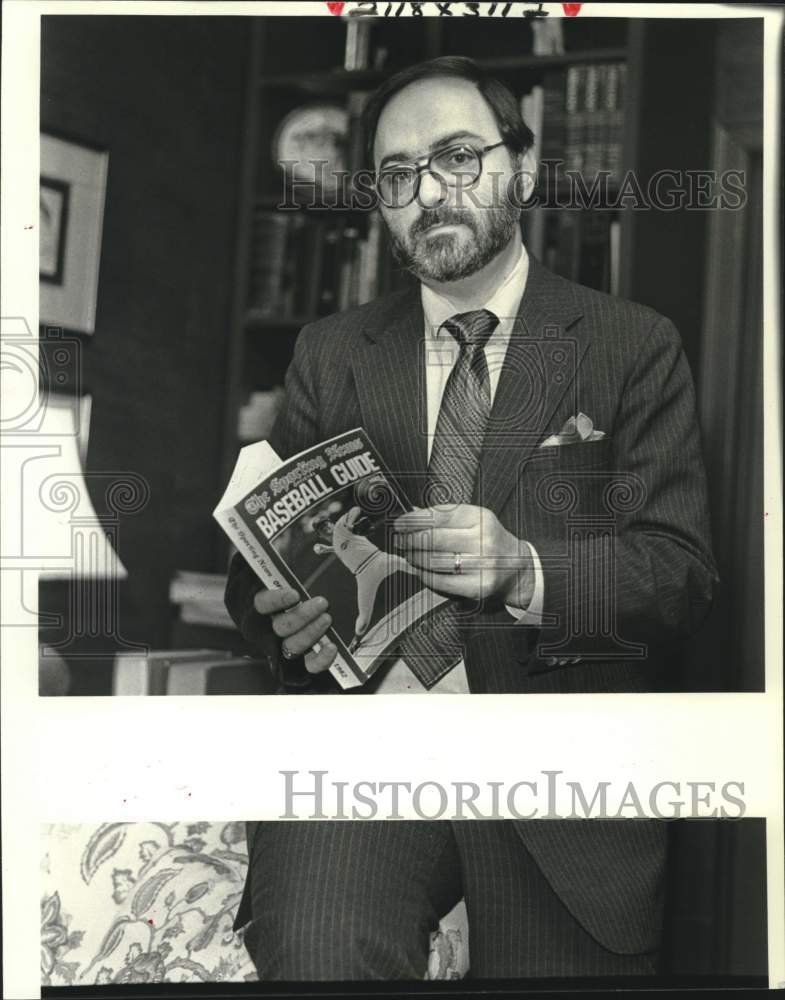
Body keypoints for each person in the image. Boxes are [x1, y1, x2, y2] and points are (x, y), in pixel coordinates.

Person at [226, 57, 717, 980]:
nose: (428, 193)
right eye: (399, 174)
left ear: (522, 171)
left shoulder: (630, 344)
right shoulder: (329, 354)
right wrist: (280, 623)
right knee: (318, 947)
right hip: (368, 754)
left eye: (457, 157)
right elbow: (255, 579)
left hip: (558, 777)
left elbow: (678, 574)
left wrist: (522, 568)